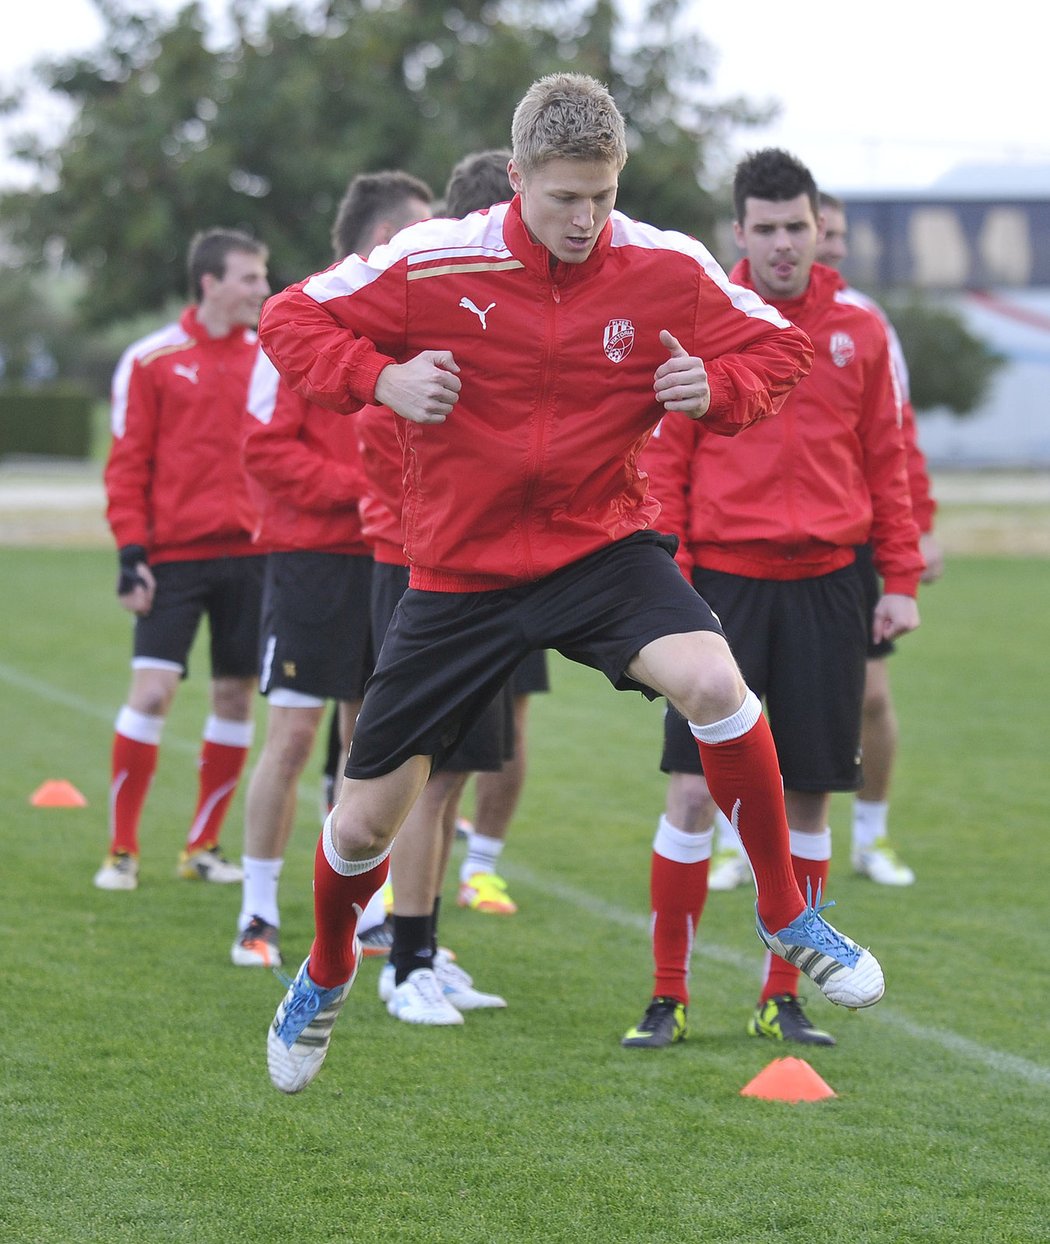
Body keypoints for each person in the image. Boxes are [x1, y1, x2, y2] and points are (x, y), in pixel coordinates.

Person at [259, 74, 885, 1095]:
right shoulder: (433, 258)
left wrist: (714, 388)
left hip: (598, 546)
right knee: (365, 818)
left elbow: (781, 347)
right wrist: (381, 378)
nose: (587, 219)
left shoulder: (664, 265)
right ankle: (328, 967)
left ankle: (786, 910)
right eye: (564, 198)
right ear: (516, 180)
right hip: (460, 569)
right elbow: (292, 318)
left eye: (602, 195)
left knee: (718, 683)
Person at [622, 148, 921, 1053]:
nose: (786, 243)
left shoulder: (861, 329)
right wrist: (662, 570)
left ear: (818, 228)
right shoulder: (707, 317)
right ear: (738, 233)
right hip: (721, 587)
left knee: (807, 800)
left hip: (831, 582)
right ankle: (666, 996)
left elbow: (889, 458)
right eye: (769, 227)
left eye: (800, 226)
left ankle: (780, 997)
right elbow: (664, 455)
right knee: (688, 797)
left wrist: (898, 579)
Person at [231, 172, 434, 968]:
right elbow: (264, 449)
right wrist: (361, 495)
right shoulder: (297, 323)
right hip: (312, 559)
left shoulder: (412, 322)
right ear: (379, 237)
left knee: (371, 739)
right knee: (290, 736)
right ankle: (256, 913)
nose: (432, 242)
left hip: (386, 562)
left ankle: (369, 909)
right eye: (418, 230)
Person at [356, 151, 517, 1022]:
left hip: (491, 578)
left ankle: (419, 947)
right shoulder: (427, 307)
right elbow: (390, 444)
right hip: (423, 570)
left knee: (450, 779)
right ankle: (395, 960)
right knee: (414, 775)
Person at [94, 229, 270, 891]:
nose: (261, 289)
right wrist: (131, 553)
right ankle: (121, 850)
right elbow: (126, 466)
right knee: (153, 692)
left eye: (262, 277)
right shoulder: (150, 359)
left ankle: (202, 847)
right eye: (249, 278)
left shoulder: (269, 358)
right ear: (210, 283)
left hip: (255, 559)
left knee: (235, 696)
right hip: (172, 560)